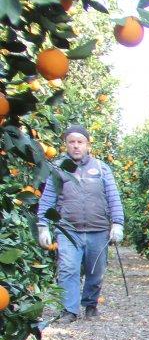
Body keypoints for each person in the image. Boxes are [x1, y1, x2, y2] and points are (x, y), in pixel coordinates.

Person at [35, 124, 125, 322]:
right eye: (72, 142)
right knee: (68, 268)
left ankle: (90, 304)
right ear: (66, 145)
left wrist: (117, 223)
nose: (76, 146)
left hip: (98, 230)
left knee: (96, 270)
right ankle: (70, 310)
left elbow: (113, 198)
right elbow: (47, 199)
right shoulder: (58, 169)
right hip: (68, 231)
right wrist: (43, 226)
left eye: (80, 142)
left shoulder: (101, 168)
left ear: (87, 145)